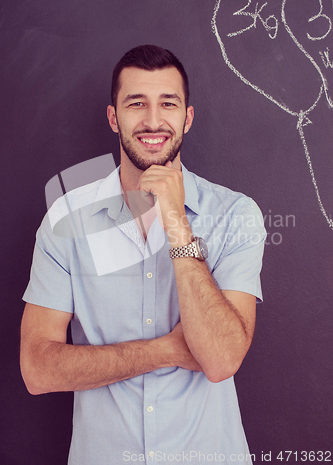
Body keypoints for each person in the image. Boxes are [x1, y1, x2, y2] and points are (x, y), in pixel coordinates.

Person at [20, 45, 266, 464]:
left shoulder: (235, 214)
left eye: (167, 104)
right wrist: (167, 350)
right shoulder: (66, 218)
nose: (153, 121)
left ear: (187, 117)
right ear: (114, 117)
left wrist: (176, 221)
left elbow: (222, 358)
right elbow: (38, 370)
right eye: (137, 104)